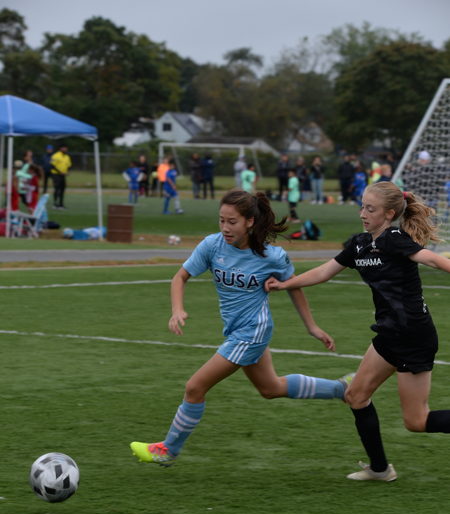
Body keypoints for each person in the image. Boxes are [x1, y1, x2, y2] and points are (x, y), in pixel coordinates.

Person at [130, 189, 350, 466]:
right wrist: (177, 309)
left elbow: (294, 287)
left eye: (232, 222)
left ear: (249, 222)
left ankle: (167, 451)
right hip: (236, 331)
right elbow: (180, 277)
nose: (225, 227)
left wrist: (312, 327)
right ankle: (342, 389)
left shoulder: (272, 256)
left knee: (195, 387)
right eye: (221, 220)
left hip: (253, 332)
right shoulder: (212, 245)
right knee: (270, 388)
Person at [265, 181, 450, 481]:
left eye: (371, 209)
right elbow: (324, 272)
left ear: (389, 214)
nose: (363, 213)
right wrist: (286, 284)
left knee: (416, 421)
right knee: (356, 395)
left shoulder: (394, 239)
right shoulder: (359, 244)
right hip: (389, 334)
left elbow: (429, 258)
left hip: (413, 336)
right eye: (362, 206)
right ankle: (380, 469)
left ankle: (380, 468)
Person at [50, 144, 71, 209]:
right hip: (56, 174)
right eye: (64, 148)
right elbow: (52, 165)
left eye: (66, 148)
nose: (65, 149)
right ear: (60, 148)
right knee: (57, 188)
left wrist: (67, 171)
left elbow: (69, 165)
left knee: (62, 189)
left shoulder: (67, 156)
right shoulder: (56, 155)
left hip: (63, 175)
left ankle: (61, 204)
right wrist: (60, 172)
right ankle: (55, 204)